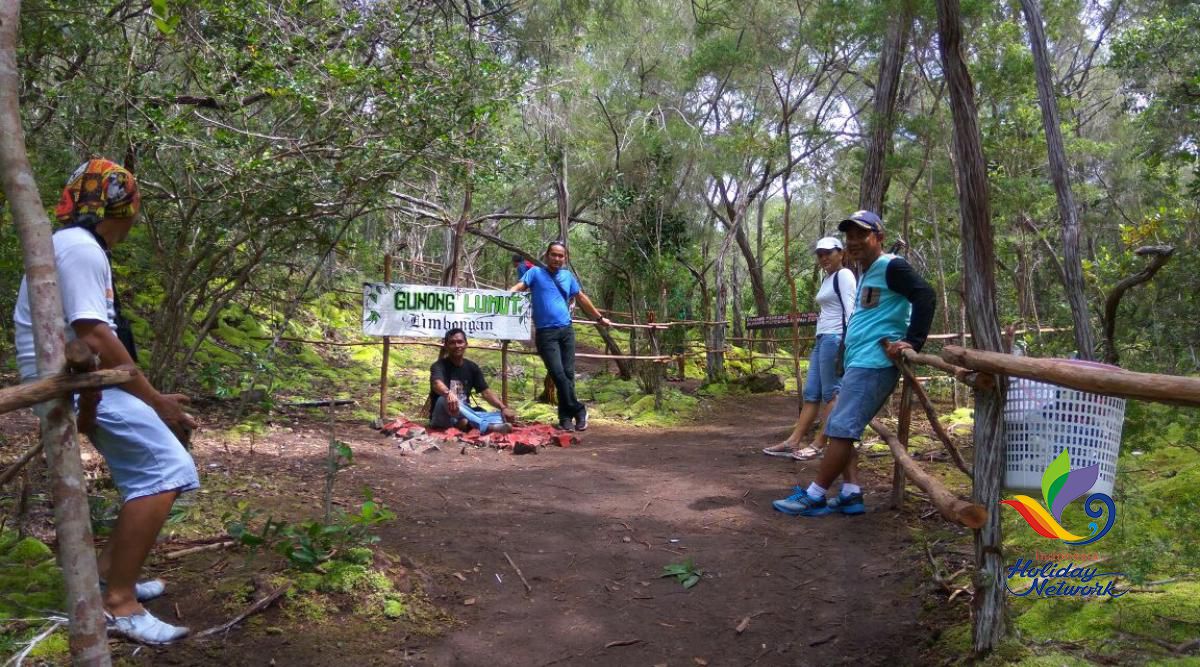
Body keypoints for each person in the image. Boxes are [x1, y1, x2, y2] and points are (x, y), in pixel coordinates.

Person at [13, 159, 199, 643]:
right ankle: (119, 603)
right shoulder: (79, 248)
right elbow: (93, 332)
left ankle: (106, 575)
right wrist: (155, 400)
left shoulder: (74, 244)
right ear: (122, 209)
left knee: (154, 473)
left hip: (89, 381)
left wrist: (146, 394)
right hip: (70, 382)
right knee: (167, 472)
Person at [772, 210, 935, 517]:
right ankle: (850, 493)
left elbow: (925, 295)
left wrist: (913, 341)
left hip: (875, 363)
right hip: (859, 361)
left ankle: (816, 495)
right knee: (839, 424)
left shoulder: (890, 266)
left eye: (862, 234)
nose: (855, 241)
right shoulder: (867, 272)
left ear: (879, 237)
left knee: (843, 427)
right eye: (850, 236)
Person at [763, 236, 856, 460]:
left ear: (841, 253)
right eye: (820, 254)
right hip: (822, 339)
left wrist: (847, 344)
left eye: (828, 253)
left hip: (836, 339)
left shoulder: (844, 275)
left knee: (832, 393)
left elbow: (851, 310)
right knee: (811, 393)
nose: (824, 258)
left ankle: (819, 443)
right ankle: (793, 441)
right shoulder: (828, 279)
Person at [510, 241, 611, 431]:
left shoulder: (567, 276)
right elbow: (519, 287)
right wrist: (501, 297)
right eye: (553, 254)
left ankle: (565, 419)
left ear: (565, 258)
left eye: (560, 255)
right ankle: (579, 410)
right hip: (545, 333)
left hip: (566, 331)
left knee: (568, 374)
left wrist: (599, 318)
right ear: (547, 256)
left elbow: (581, 297)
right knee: (557, 374)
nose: (557, 258)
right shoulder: (535, 273)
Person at [429, 328, 518, 434]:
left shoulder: (472, 367)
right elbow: (436, 383)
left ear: (466, 344)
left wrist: (503, 408)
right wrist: (447, 393)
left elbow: (485, 392)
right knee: (443, 399)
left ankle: (465, 424)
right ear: (446, 346)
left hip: (464, 412)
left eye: (460, 342)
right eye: (452, 343)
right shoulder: (438, 365)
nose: (457, 346)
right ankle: (486, 427)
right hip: (443, 416)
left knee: (501, 415)